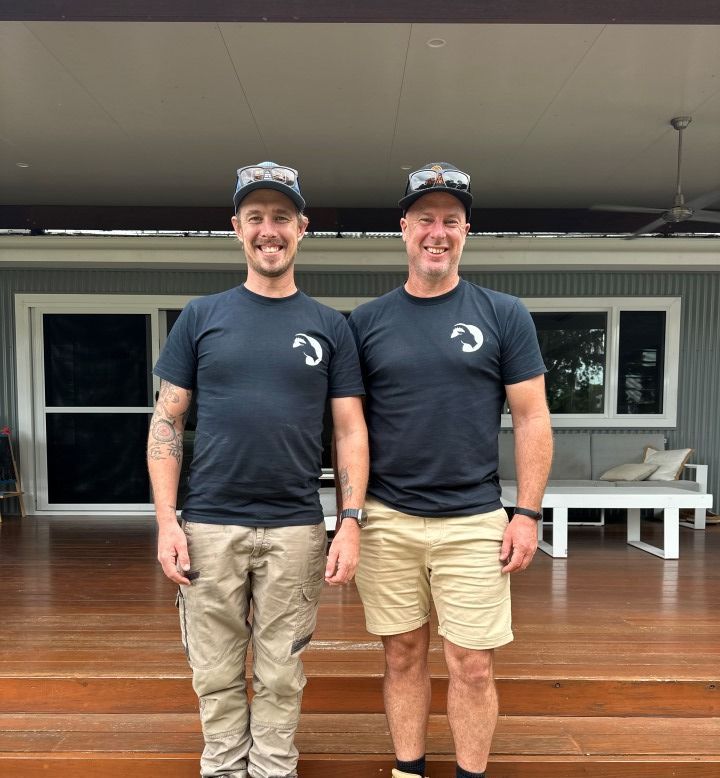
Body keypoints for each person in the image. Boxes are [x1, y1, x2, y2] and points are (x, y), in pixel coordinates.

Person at [148, 161, 368, 778]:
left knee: (281, 669)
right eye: (255, 218)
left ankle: (273, 767)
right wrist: (167, 522)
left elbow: (350, 430)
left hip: (296, 527)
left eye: (280, 217)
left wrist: (349, 521)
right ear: (236, 229)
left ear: (302, 227)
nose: (268, 230)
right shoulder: (200, 317)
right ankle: (222, 766)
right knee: (214, 666)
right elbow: (166, 423)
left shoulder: (330, 327)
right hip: (210, 526)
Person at [346, 163, 552, 778]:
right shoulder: (365, 323)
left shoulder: (503, 314)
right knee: (403, 655)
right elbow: (348, 430)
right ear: (404, 228)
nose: (438, 232)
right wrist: (350, 518)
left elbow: (532, 416)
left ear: (466, 232)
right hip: (387, 518)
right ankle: (408, 769)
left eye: (452, 221)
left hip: (475, 521)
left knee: (473, 663)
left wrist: (527, 512)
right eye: (426, 219)